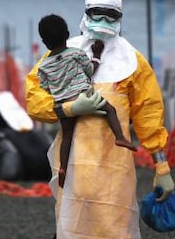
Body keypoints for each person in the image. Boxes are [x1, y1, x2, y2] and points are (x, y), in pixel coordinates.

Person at [25, 0, 175, 239]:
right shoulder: (60, 54)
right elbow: (34, 99)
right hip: (73, 167)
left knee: (116, 234)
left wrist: (161, 165)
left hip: (114, 171)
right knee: (73, 234)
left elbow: (148, 114)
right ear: (86, 13)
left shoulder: (133, 63)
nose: (104, 22)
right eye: (98, 14)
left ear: (120, 17)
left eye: (111, 15)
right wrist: (67, 108)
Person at [37, 14, 137, 188]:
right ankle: (120, 137)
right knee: (109, 110)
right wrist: (97, 54)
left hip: (64, 104)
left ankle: (62, 168)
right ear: (67, 34)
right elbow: (90, 70)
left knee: (67, 137)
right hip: (85, 95)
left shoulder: (43, 66)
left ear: (44, 42)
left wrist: (60, 90)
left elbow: (44, 86)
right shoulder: (76, 54)